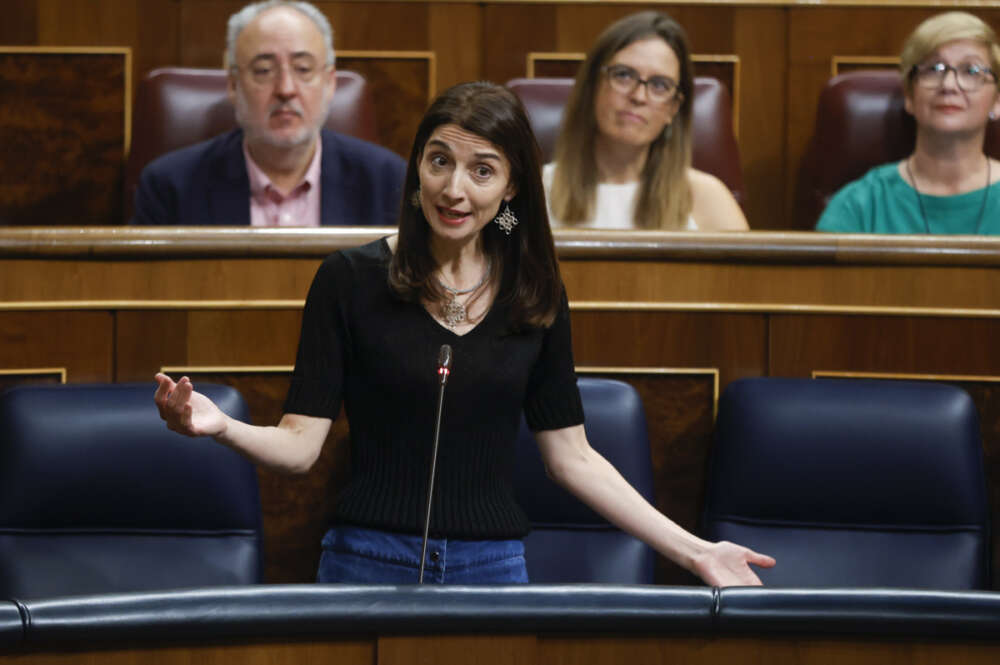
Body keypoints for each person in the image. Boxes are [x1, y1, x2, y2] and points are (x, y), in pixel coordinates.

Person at [154, 80, 774, 586]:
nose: (454, 189)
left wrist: (694, 552)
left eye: (482, 171)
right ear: (416, 169)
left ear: (511, 188)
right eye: (439, 162)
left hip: (492, 570)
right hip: (366, 563)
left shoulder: (535, 296)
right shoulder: (349, 279)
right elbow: (298, 447)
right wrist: (220, 427)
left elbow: (574, 459)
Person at [131, 0, 405, 226]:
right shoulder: (169, 188)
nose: (285, 89)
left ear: (330, 83)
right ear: (234, 85)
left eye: (303, 69)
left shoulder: (389, 183)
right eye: (263, 71)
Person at [543, 11, 748, 231]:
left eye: (660, 85)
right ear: (592, 86)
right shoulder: (536, 190)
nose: (639, 96)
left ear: (673, 108)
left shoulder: (707, 198)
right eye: (623, 75)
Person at [817, 12, 1000, 234]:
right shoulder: (860, 205)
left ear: (997, 101)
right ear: (909, 96)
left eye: (971, 71)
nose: (949, 85)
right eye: (933, 69)